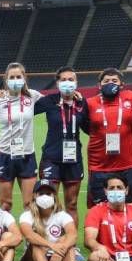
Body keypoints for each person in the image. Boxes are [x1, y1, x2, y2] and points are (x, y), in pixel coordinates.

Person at [34, 66, 88, 226]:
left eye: (71, 79)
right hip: (52, 159)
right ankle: (47, 242)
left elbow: (89, 128)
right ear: (57, 83)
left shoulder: (81, 103)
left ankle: (71, 244)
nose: (67, 83)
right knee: (47, 203)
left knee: (71, 204)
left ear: (76, 82)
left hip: (74, 160)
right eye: (63, 80)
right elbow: (26, 107)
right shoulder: (49, 101)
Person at [84, 68, 132, 205]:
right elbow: (84, 125)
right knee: (99, 210)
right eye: (106, 81)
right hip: (99, 167)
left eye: (114, 81)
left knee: (131, 208)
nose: (110, 83)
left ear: (122, 85)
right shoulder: (89, 103)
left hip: (128, 166)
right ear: (99, 85)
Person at [0, 62, 41, 212]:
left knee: (29, 204)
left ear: (24, 78)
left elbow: (55, 102)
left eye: (18, 76)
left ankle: (29, 236)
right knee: (5, 204)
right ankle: (8, 236)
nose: (15, 79)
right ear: (6, 79)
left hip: (26, 155)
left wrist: (75, 95)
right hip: (4, 155)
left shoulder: (33, 96)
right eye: (11, 77)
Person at [18, 180, 78, 261]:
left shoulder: (62, 215)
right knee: (36, 243)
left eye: (48, 194)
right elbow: (29, 235)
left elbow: (73, 234)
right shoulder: (27, 215)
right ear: (35, 196)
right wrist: (52, 246)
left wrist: (61, 250)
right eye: (41, 194)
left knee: (68, 242)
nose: (45, 197)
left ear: (54, 196)